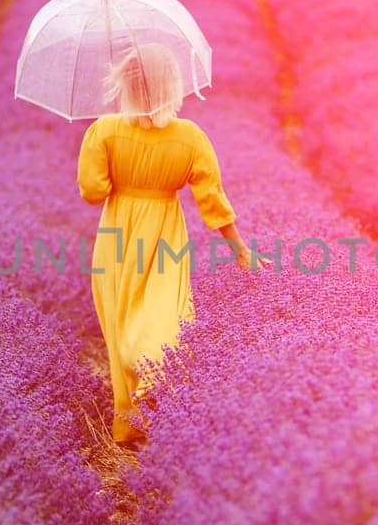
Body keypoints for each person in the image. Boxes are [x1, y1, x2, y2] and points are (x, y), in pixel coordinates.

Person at [77, 41, 268, 449]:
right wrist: (240, 249)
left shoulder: (104, 130)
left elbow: (93, 192)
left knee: (122, 320)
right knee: (163, 314)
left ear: (124, 85)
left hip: (117, 234)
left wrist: (110, 159)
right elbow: (212, 199)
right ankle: (147, 404)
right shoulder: (190, 137)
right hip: (164, 233)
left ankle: (132, 418)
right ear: (172, 86)